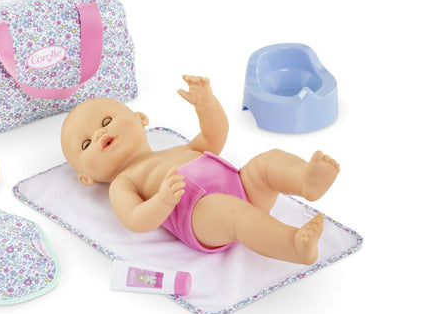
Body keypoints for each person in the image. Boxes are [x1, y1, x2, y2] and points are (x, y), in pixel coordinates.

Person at [60, 76, 340, 264]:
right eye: (86, 143)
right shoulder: (124, 182)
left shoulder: (175, 149)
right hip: (201, 216)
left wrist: (206, 105)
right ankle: (292, 244)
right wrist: (162, 201)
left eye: (106, 121)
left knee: (268, 161)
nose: (99, 134)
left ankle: (305, 180)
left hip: (242, 185)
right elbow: (135, 220)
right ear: (86, 177)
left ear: (140, 119)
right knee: (235, 213)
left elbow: (213, 137)